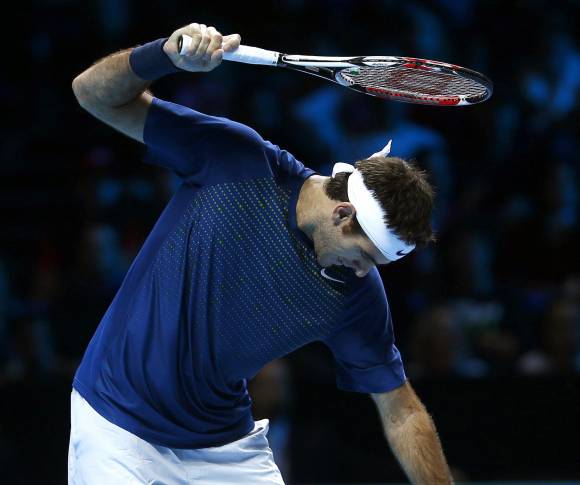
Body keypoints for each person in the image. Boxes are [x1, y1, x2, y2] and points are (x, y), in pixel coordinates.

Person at [70, 22, 454, 485]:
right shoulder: (238, 161)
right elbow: (91, 93)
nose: (363, 272)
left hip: (224, 448)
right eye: (365, 256)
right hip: (115, 423)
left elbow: (401, 410)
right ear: (343, 215)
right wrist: (163, 56)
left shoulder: (354, 295)